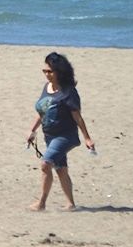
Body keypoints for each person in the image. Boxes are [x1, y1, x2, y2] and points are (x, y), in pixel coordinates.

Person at [26, 52, 95, 212]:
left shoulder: (68, 92)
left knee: (45, 164)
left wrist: (87, 138)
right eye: (44, 71)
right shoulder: (46, 88)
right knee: (61, 169)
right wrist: (32, 130)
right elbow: (42, 112)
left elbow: (77, 116)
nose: (46, 74)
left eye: (50, 71)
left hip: (65, 137)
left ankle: (41, 203)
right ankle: (71, 204)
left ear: (59, 71)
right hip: (49, 135)